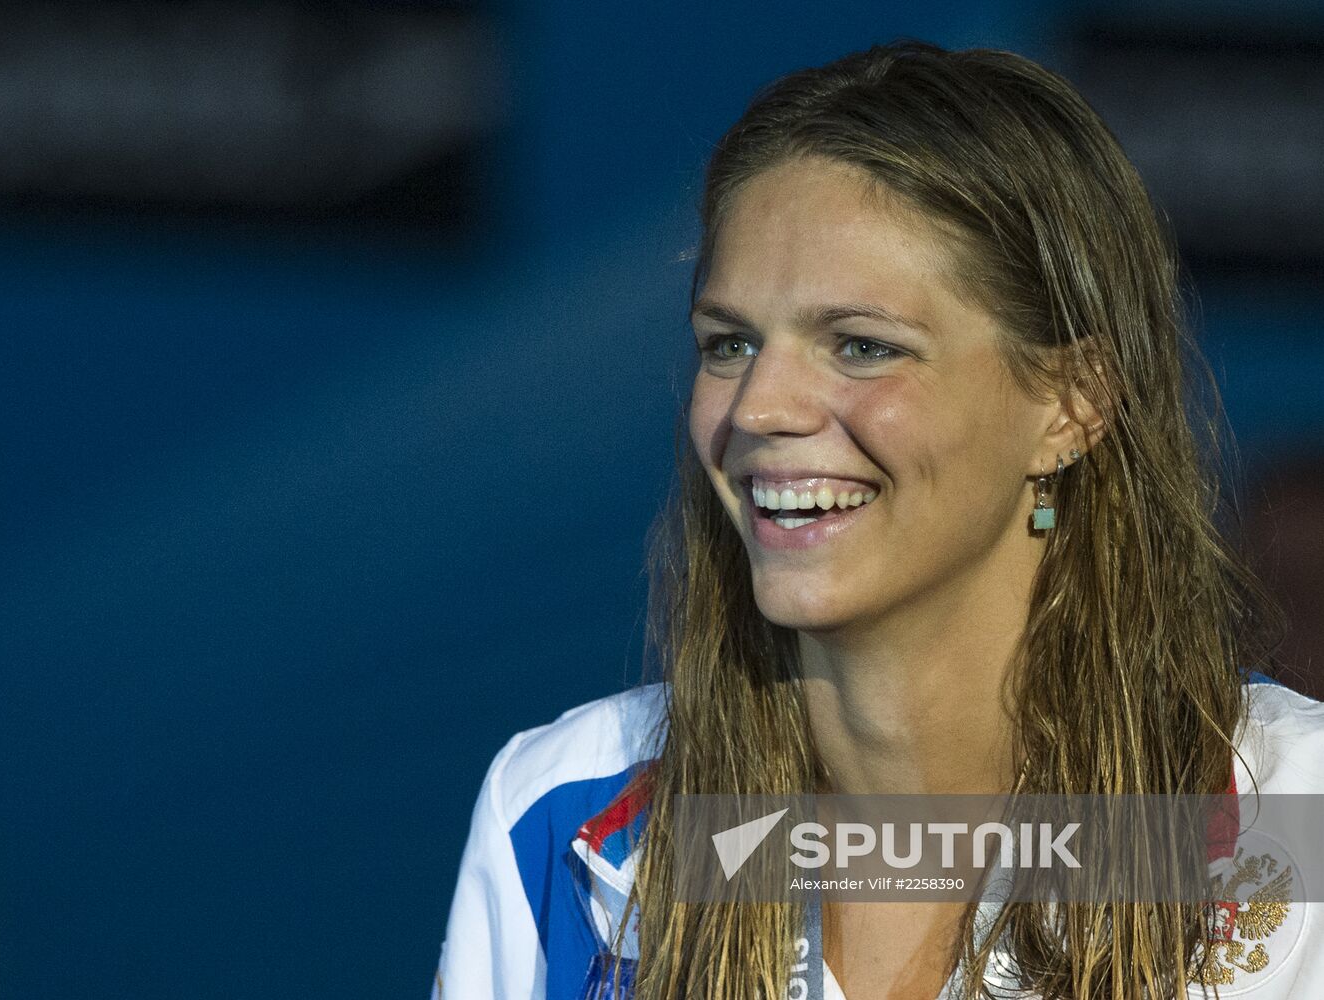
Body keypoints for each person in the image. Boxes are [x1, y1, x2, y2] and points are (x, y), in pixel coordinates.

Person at [434, 40, 1324, 999]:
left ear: (1070, 403)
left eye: (861, 346)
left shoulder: (1299, 818)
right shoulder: (563, 811)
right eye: (728, 343)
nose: (759, 407)